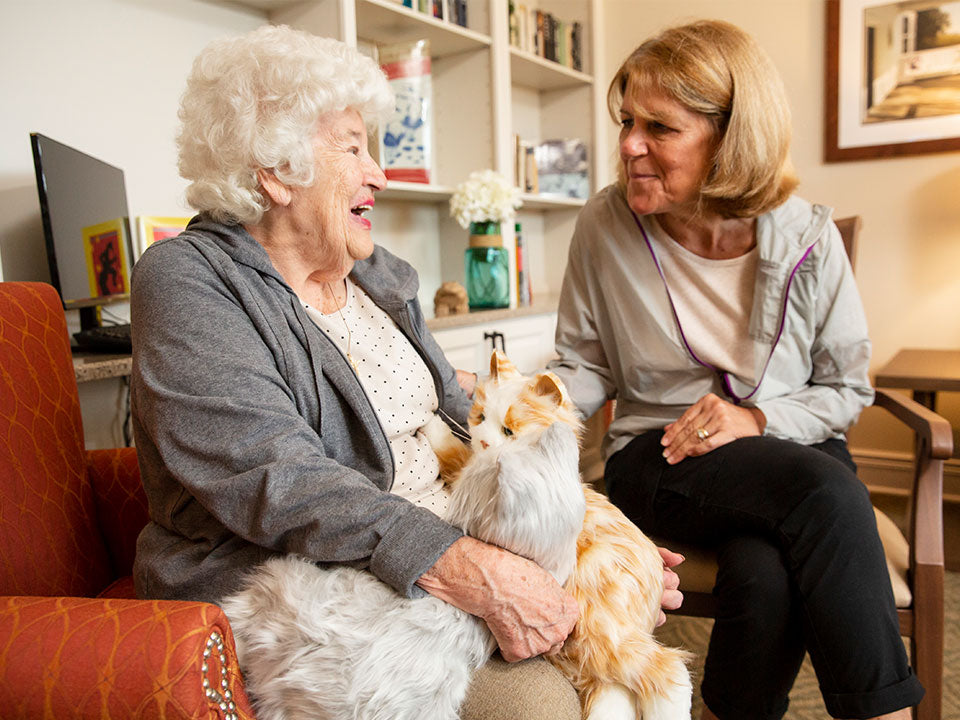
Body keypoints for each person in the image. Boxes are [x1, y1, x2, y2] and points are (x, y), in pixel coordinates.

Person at [130, 24, 680, 718]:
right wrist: (473, 572)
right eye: (353, 148)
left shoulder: (376, 280)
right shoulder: (189, 282)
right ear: (275, 170)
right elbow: (276, 478)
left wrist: (599, 546)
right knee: (541, 703)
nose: (378, 174)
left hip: (436, 547)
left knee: (621, 653)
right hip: (308, 589)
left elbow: (471, 430)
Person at [548, 19, 923, 720]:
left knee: (767, 571)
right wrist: (526, 405)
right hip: (660, 456)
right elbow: (584, 362)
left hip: (785, 452)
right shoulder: (604, 227)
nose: (630, 144)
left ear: (730, 138)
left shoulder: (808, 235)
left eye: (660, 127)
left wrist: (756, 418)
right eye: (627, 120)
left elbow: (845, 388)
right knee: (829, 495)